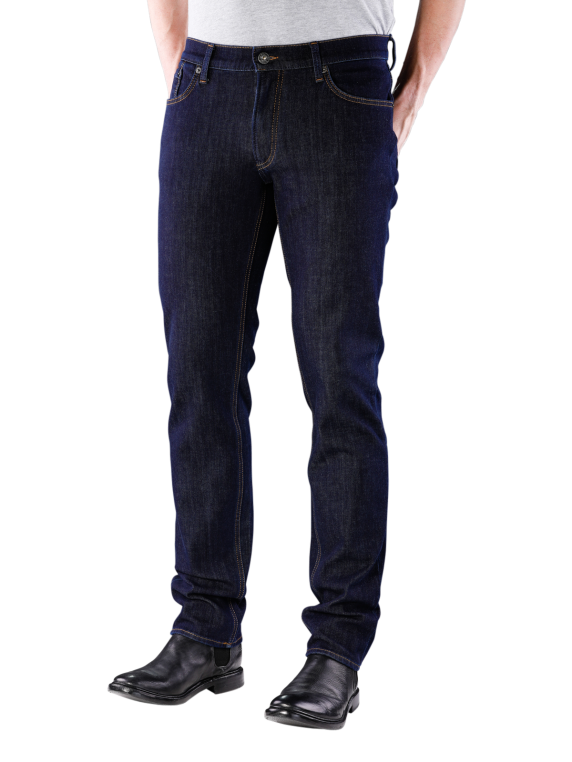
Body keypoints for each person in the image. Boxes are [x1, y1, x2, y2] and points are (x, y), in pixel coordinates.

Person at [106, 0, 466, 729]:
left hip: (341, 82)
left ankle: (338, 646)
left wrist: (414, 87)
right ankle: (205, 631)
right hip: (206, 82)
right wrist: (182, 67)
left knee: (339, 379)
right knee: (197, 378)